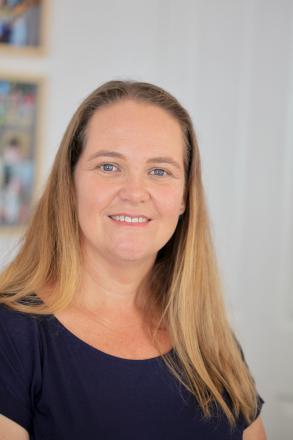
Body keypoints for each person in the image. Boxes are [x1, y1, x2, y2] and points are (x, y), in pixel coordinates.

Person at [0, 80, 266, 439]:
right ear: (71, 182)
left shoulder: (208, 337)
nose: (135, 192)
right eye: (109, 166)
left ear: (185, 197)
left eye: (159, 171)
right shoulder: (13, 333)